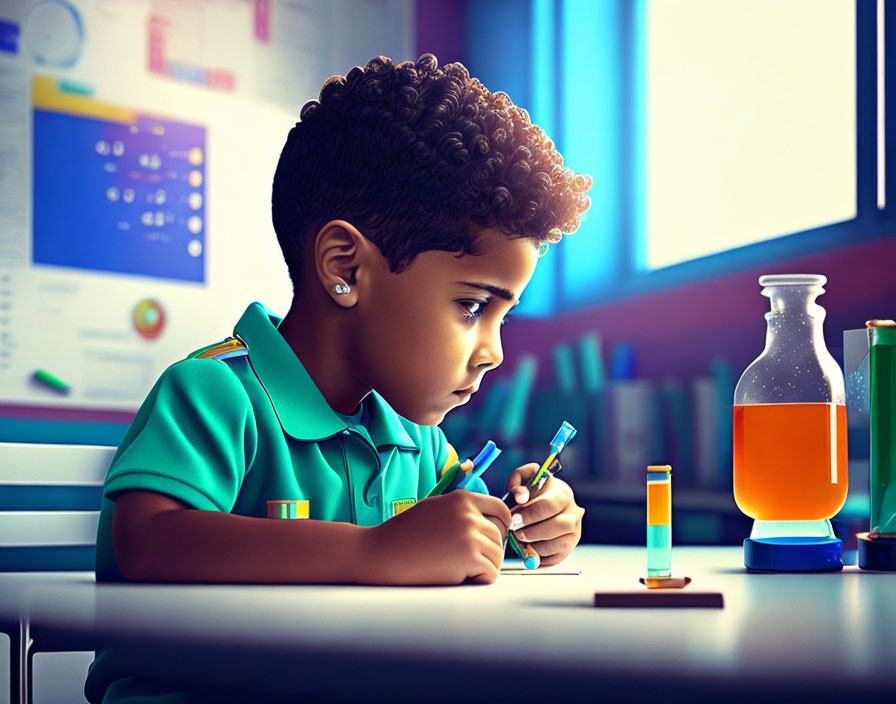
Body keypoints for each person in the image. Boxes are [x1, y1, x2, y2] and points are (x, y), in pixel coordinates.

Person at [86, 53, 592, 702]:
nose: (494, 351)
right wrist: (375, 551)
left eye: (503, 314)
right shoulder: (212, 393)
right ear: (344, 267)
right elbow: (149, 543)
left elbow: (445, 550)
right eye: (471, 306)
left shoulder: (418, 440)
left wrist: (525, 530)